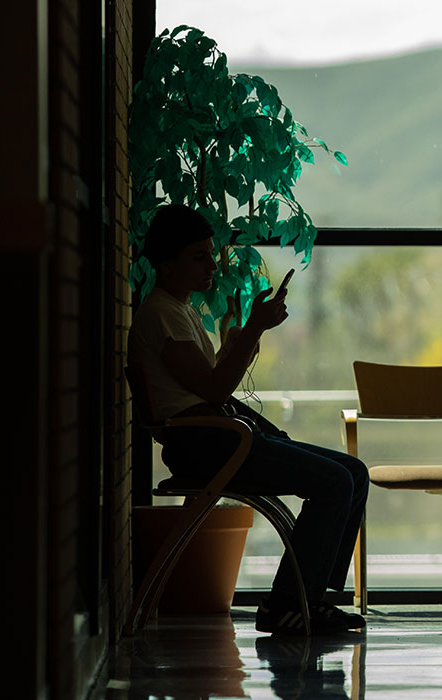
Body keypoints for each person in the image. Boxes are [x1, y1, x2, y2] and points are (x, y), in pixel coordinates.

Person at [128, 204, 369, 635]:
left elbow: (208, 382)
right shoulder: (161, 314)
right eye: (198, 256)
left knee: (352, 471)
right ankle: (289, 606)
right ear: (166, 263)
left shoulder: (178, 310)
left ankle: (308, 598)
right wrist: (254, 329)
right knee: (336, 481)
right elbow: (216, 389)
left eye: (210, 254)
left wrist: (236, 340)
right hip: (207, 445)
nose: (210, 267)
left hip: (219, 437)